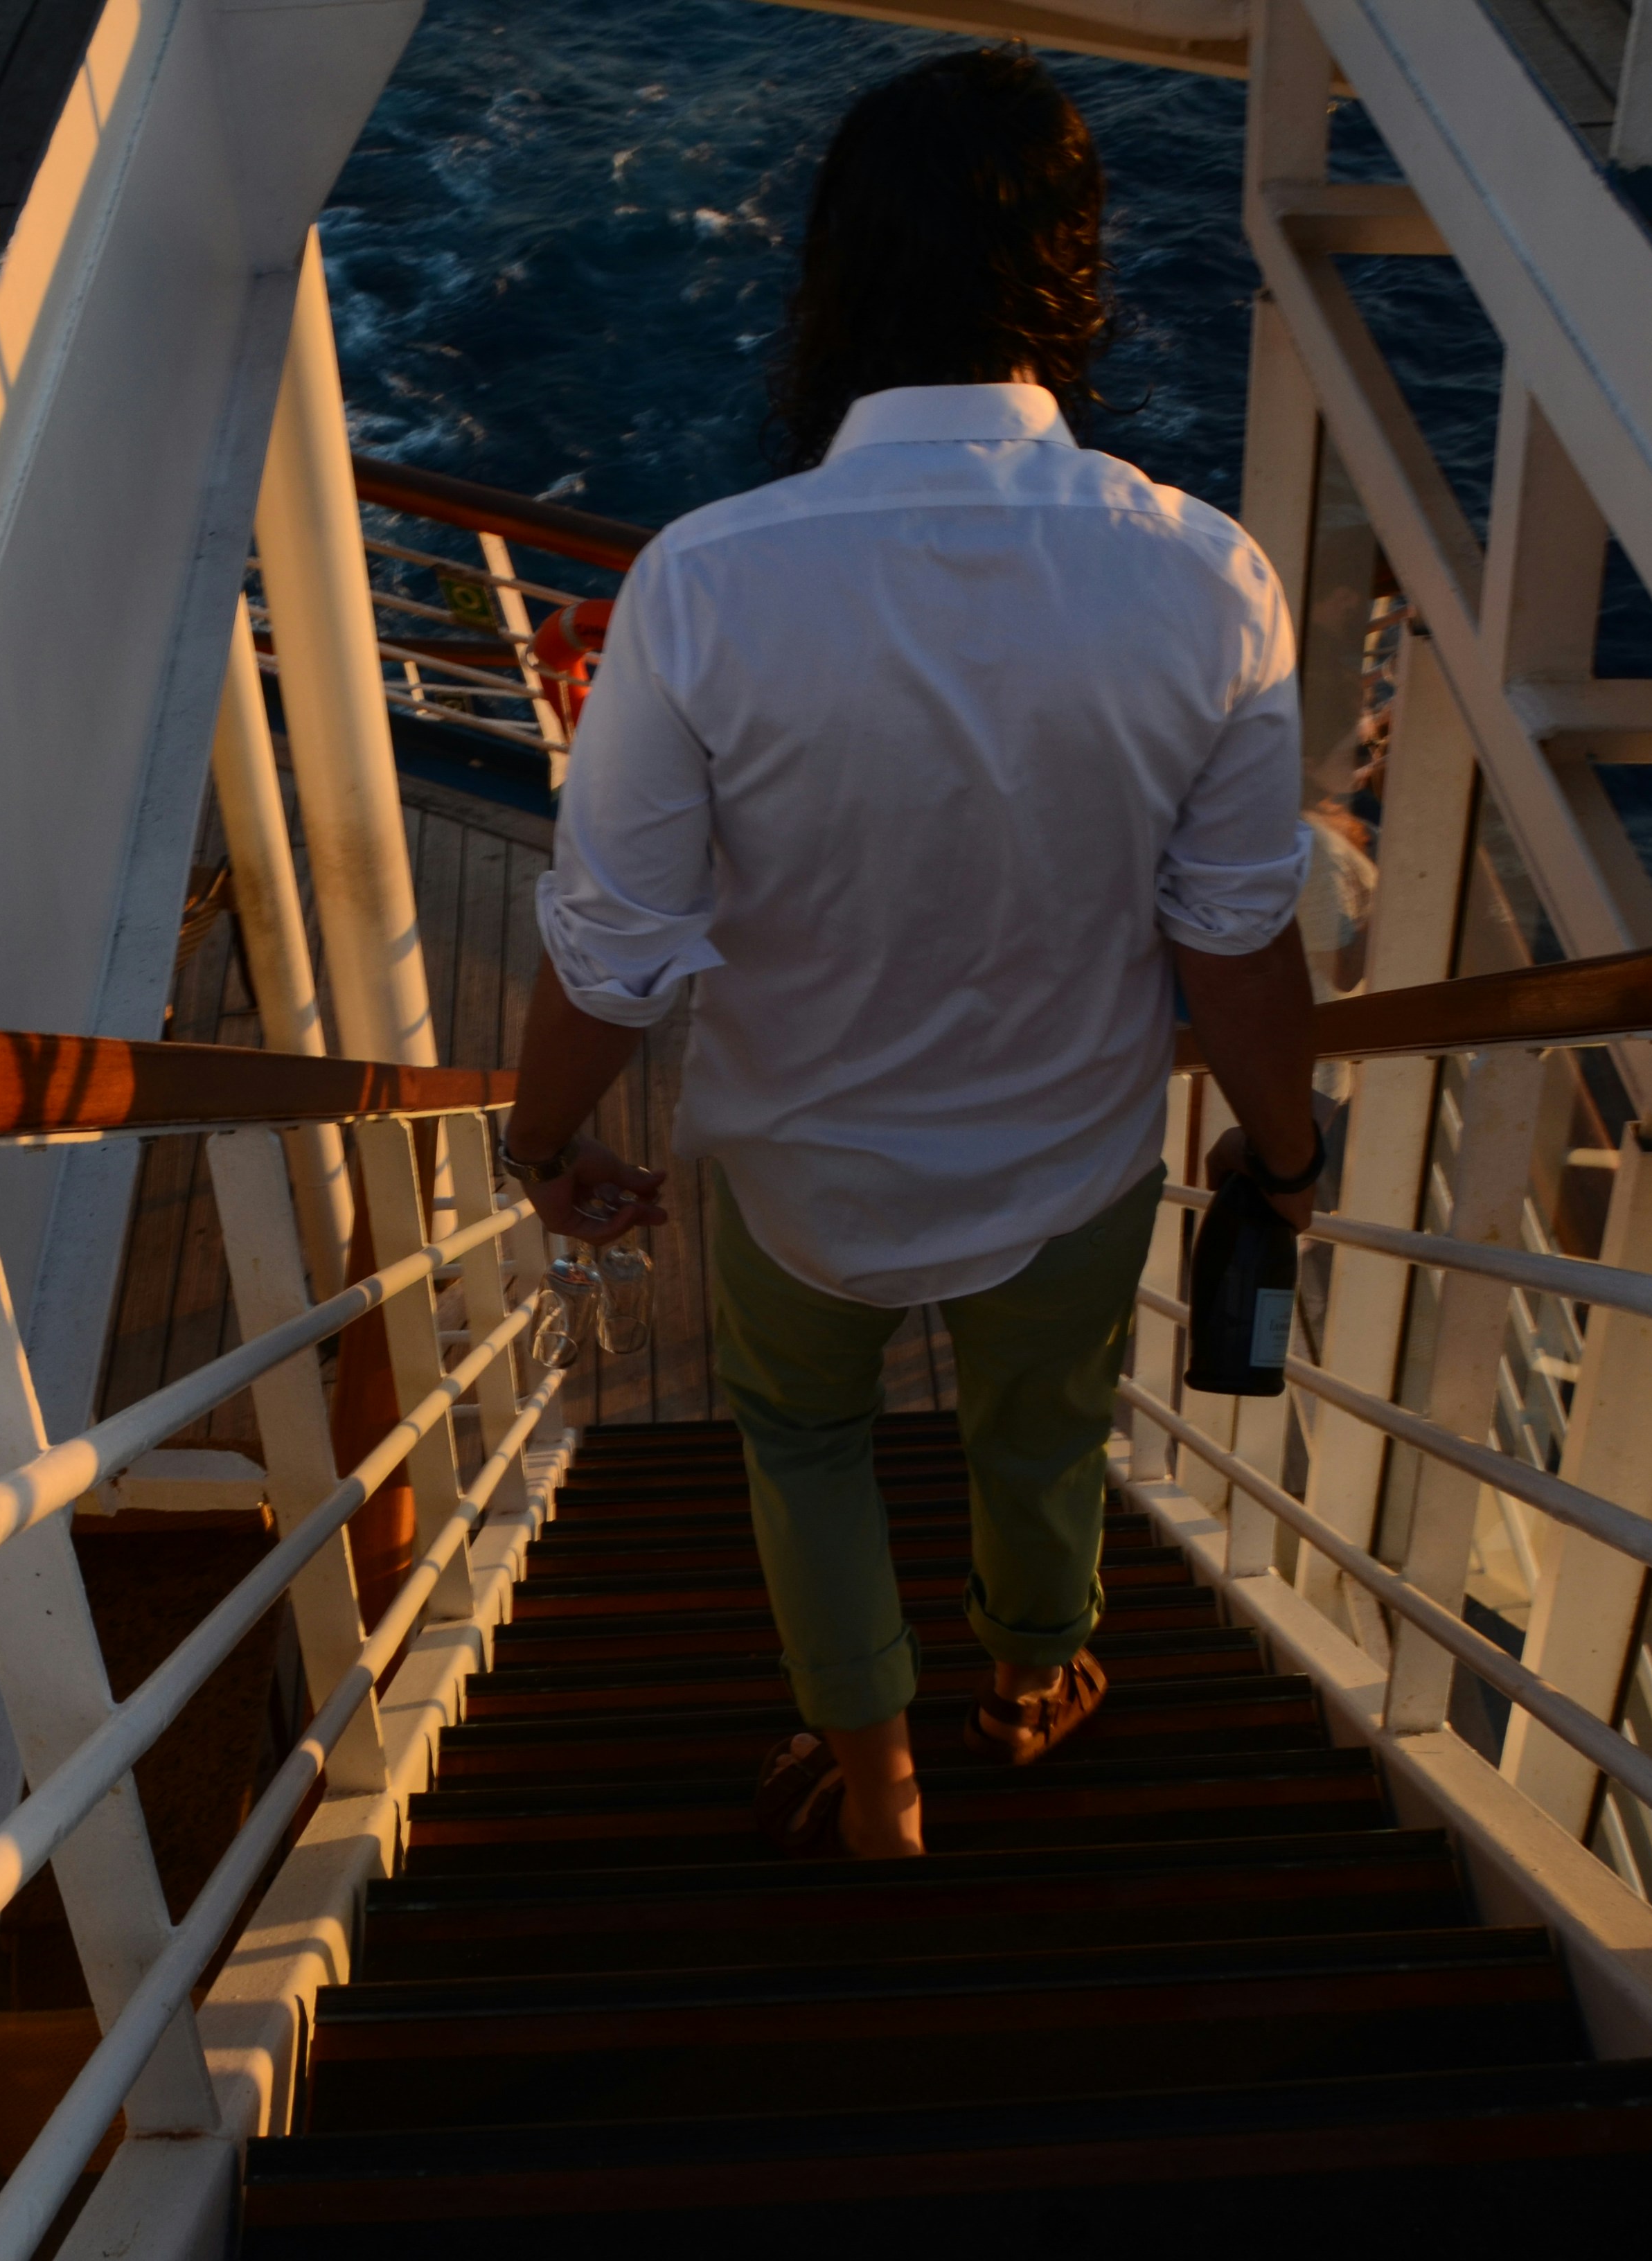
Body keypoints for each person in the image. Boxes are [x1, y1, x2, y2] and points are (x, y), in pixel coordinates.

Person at [495, 45, 1320, 1861]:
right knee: (1038, 1439)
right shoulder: (1207, 576)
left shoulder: (705, 583)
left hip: (805, 1164)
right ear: (1076, 276)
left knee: (803, 1441)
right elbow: (1239, 946)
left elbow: (618, 952)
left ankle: (875, 1778)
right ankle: (1034, 1675)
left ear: (836, 276)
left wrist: (541, 1143)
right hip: (1075, 1156)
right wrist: (1288, 1151)